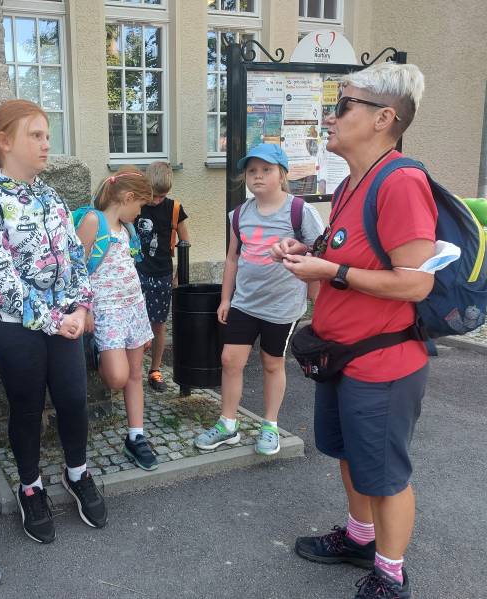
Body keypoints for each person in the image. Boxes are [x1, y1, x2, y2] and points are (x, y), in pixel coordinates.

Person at [272, 62, 433, 599]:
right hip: (340, 356)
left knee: (384, 475)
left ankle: (391, 575)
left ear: (384, 118)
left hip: (382, 364)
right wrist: (307, 252)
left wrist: (332, 271)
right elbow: (349, 252)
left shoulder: (401, 182)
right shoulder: (352, 183)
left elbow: (416, 283)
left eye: (343, 106)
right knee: (350, 456)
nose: (330, 116)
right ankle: (361, 539)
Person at [0, 99, 107, 544]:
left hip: (63, 318)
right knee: (26, 406)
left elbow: (73, 255)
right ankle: (30, 486)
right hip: (14, 324)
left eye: (47, 135)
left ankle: (77, 473)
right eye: (36, 135)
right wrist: (51, 320)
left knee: (74, 398)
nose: (46, 144)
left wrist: (81, 307)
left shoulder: (50, 195)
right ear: (5, 141)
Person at [194, 144, 324, 456]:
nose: (258, 176)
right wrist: (225, 299)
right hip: (245, 303)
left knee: (271, 362)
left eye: (266, 170)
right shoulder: (239, 214)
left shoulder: (299, 211)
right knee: (230, 360)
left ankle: (270, 425)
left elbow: (320, 249)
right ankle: (228, 424)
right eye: (252, 171)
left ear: (282, 175)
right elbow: (232, 259)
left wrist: (312, 284)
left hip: (282, 305)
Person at [76, 168, 157, 471]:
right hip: (107, 311)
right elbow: (76, 267)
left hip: (134, 307)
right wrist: (86, 308)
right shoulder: (93, 221)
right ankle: (98, 352)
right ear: (127, 197)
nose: (140, 213)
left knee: (135, 374)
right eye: (140, 205)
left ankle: (136, 436)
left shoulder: (127, 228)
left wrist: (142, 314)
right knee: (117, 378)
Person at [134, 162, 189, 391]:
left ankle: (155, 369)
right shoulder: (136, 206)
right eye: (153, 195)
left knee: (158, 324)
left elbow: (185, 243)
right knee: (135, 322)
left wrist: (178, 275)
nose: (156, 201)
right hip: (135, 273)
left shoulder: (174, 209)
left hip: (162, 273)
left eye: (161, 196)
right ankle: (133, 369)